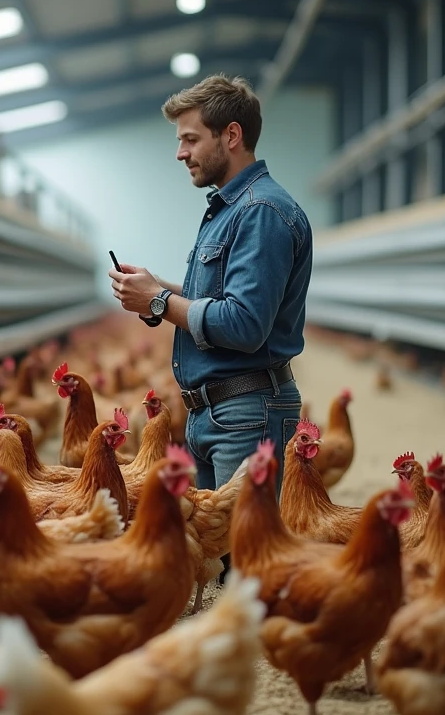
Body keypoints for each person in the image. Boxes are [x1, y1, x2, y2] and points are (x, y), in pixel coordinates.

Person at [108, 74, 313, 498]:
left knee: (244, 558)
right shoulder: (231, 208)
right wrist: (155, 287)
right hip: (215, 414)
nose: (181, 153)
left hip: (247, 414)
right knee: (220, 557)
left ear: (231, 135)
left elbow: (243, 323)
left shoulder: (261, 212)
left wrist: (160, 302)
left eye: (190, 139)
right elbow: (219, 299)